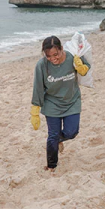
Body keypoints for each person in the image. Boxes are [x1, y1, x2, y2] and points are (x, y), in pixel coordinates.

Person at [30, 35, 90, 171]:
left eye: (55, 54)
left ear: (61, 49)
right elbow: (38, 88)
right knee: (53, 135)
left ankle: (60, 140)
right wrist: (35, 110)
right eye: (48, 56)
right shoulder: (41, 65)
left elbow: (86, 65)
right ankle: (52, 165)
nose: (53, 59)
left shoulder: (72, 57)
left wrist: (82, 67)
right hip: (51, 103)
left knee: (72, 132)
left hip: (72, 101)